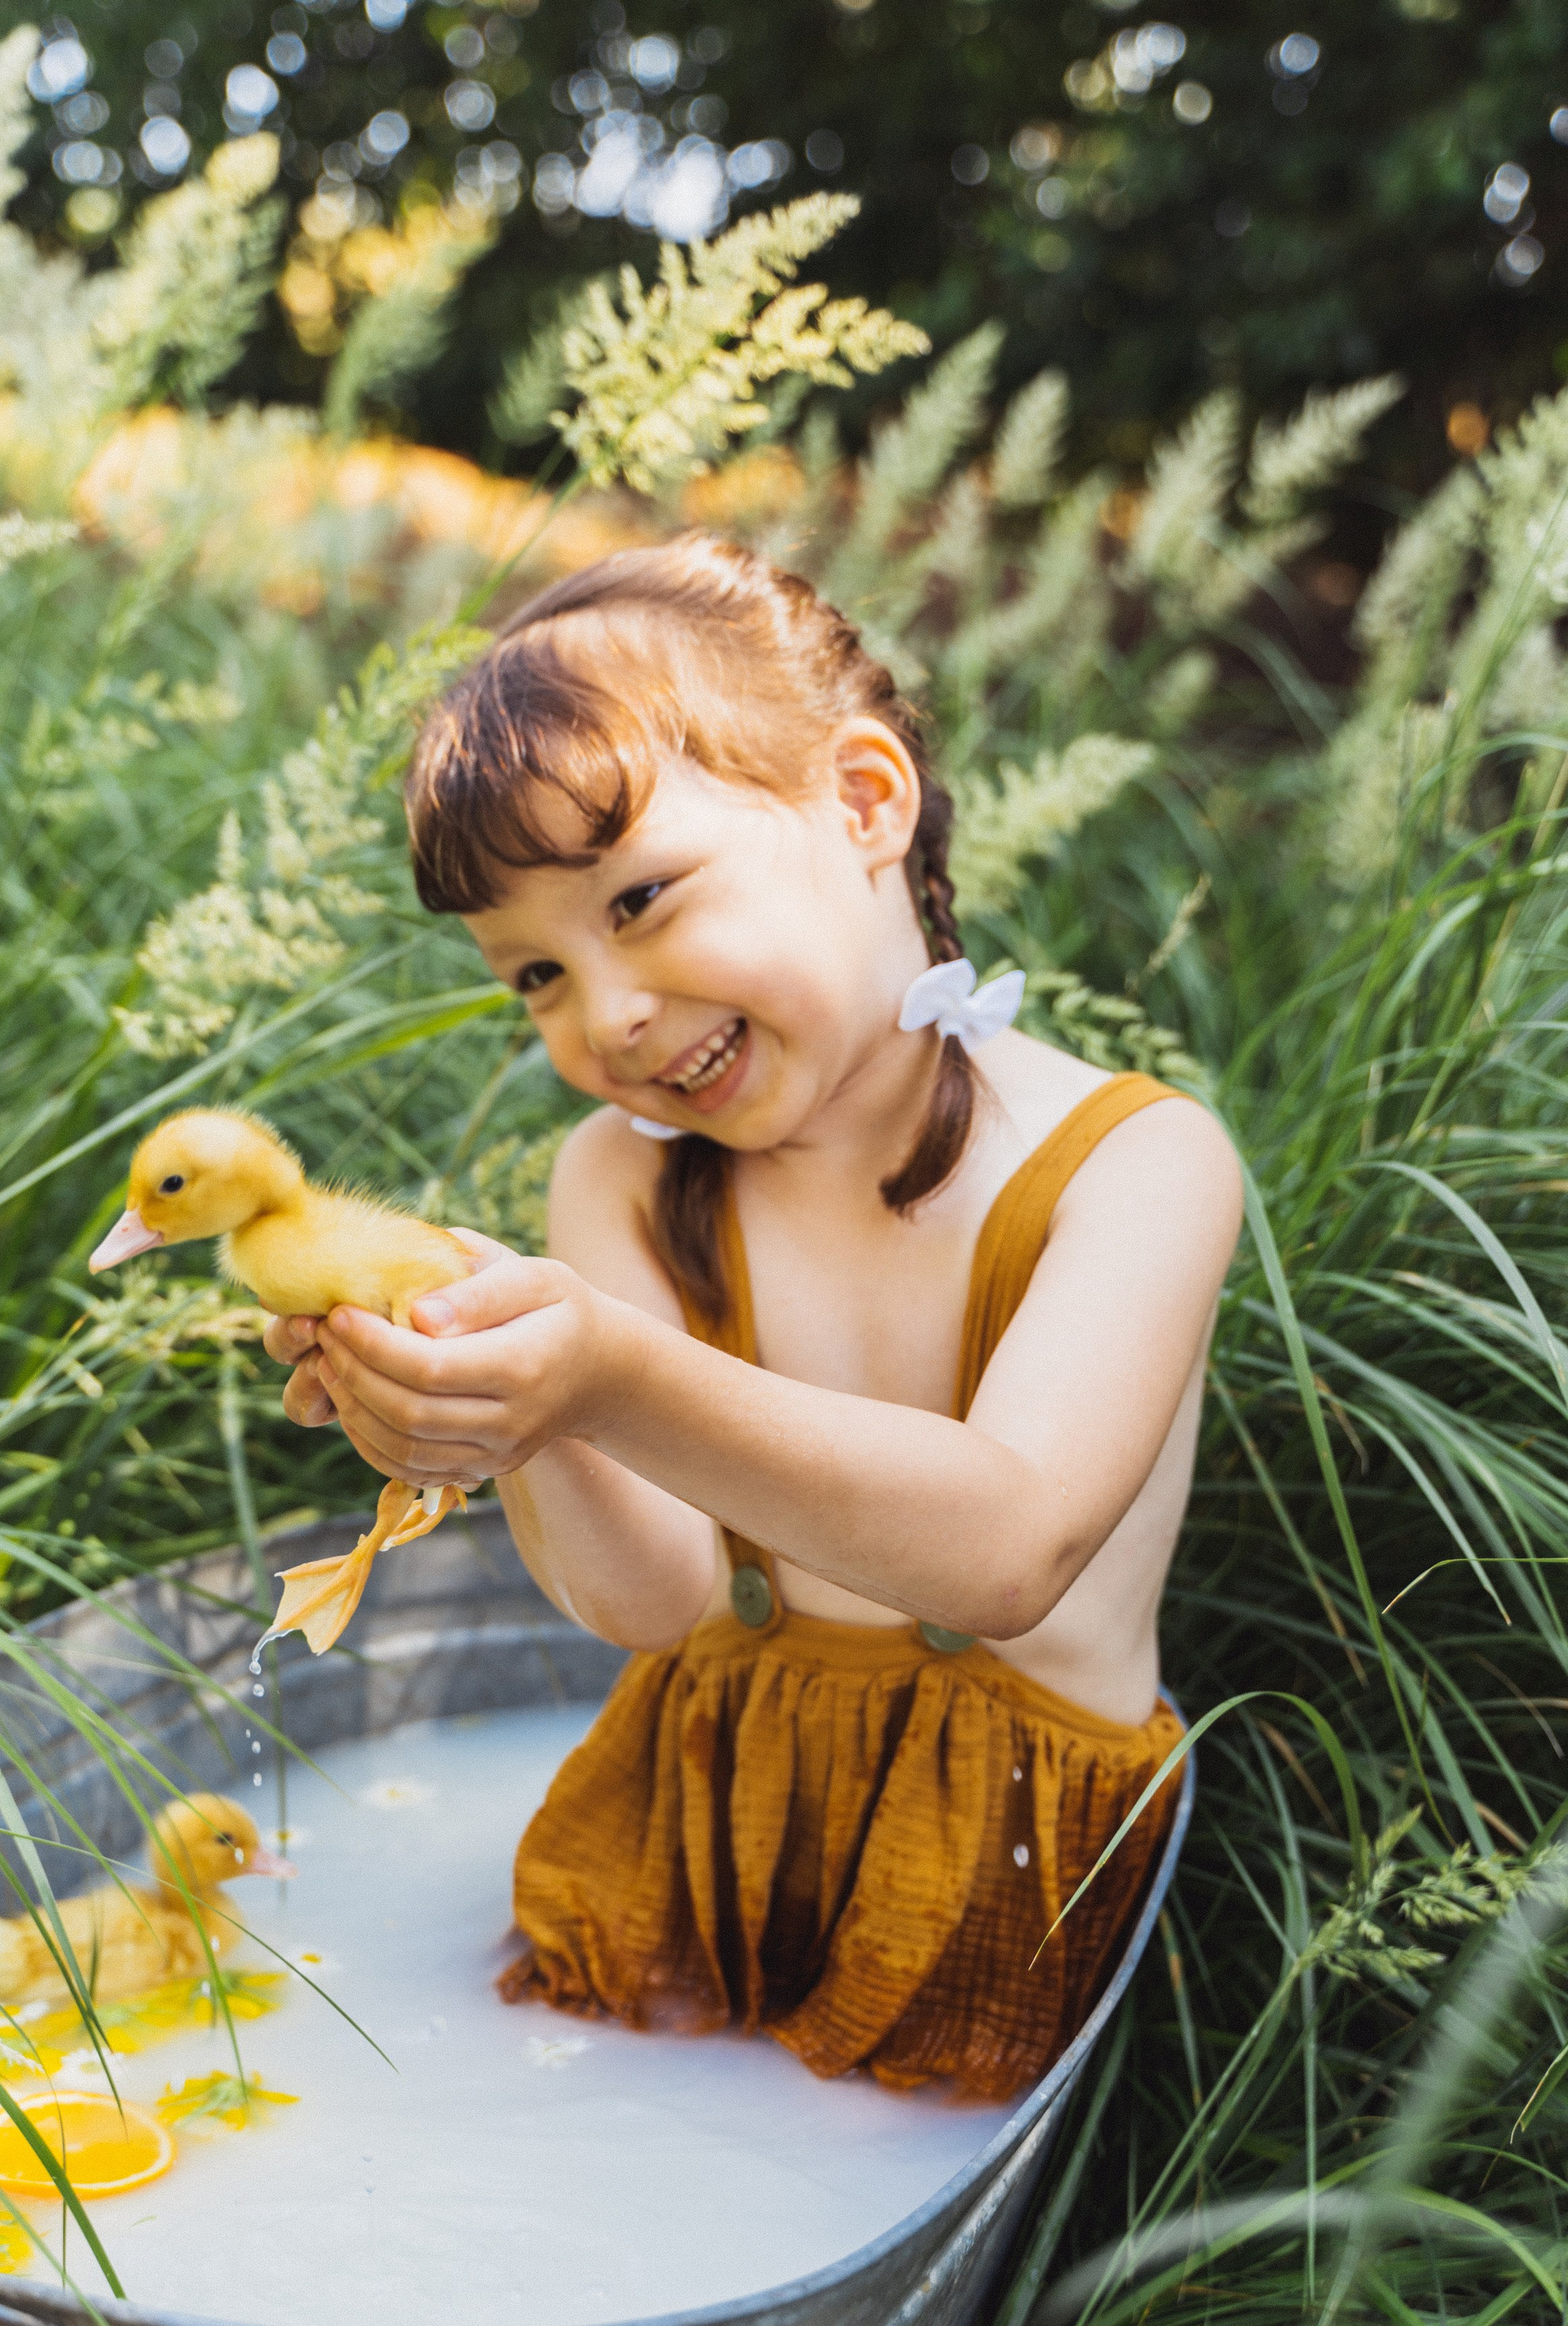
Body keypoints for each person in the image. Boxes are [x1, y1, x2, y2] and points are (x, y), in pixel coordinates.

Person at [264, 535, 1242, 2101]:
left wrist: (604, 1368)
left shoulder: (1131, 1165)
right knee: (535, 2102)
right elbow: (649, 1600)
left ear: (862, 804)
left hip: (986, 1842)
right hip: (697, 1799)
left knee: (873, 2148)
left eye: (639, 900)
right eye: (534, 976)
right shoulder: (625, 1181)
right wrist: (516, 1400)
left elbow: (1006, 1549)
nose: (606, 1016)